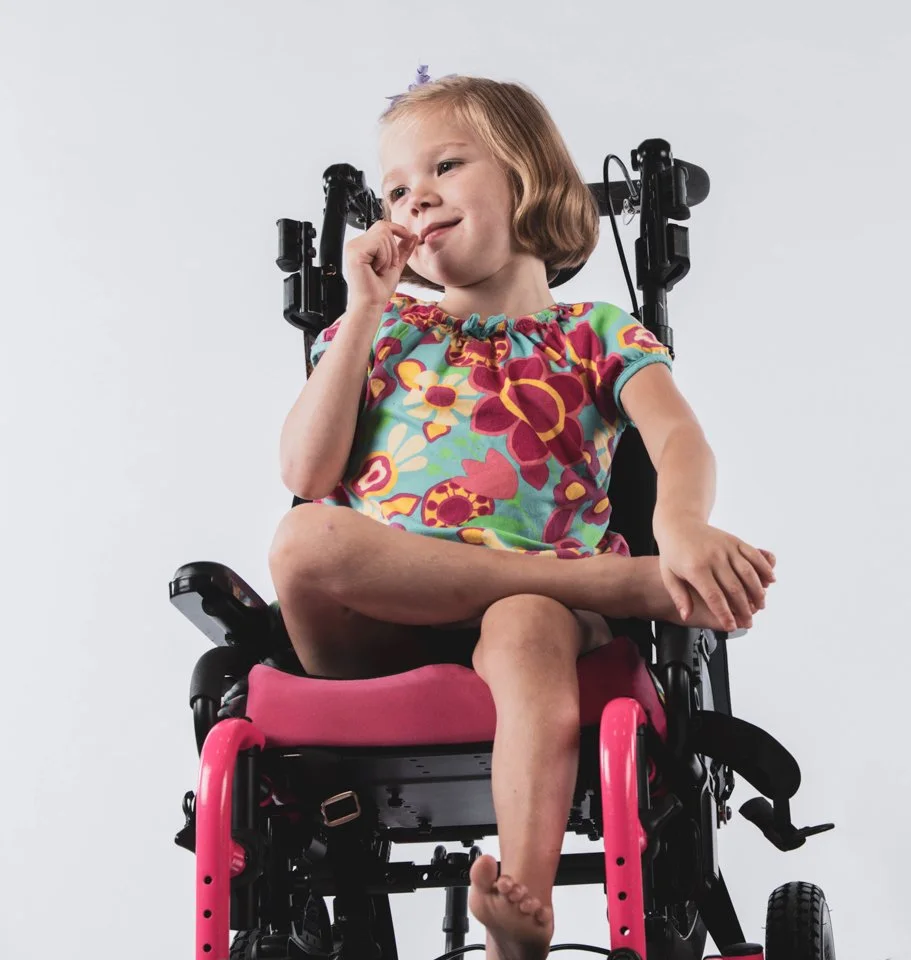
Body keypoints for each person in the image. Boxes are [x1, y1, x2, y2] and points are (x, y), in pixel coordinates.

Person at [266, 72, 775, 960]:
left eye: (446, 165)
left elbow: (679, 440)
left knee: (530, 620)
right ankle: (609, 582)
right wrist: (361, 311)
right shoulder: (381, 334)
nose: (413, 196)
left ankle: (519, 910)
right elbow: (307, 470)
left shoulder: (596, 331)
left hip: (526, 625)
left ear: (528, 180)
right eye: (393, 190)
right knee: (304, 538)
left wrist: (684, 527)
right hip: (373, 623)